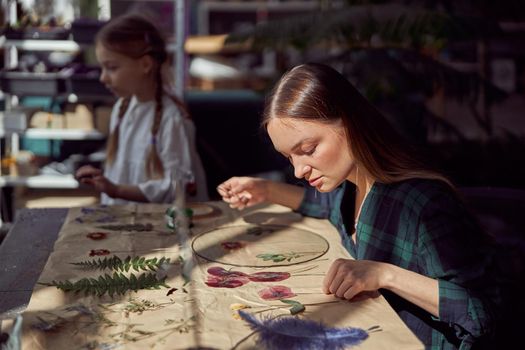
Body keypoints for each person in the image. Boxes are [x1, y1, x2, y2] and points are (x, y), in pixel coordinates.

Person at [217, 63, 502, 349]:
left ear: (350, 123)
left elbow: (481, 313)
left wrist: (384, 274)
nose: (298, 171)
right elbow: (322, 207)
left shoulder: (422, 205)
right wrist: (264, 189)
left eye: (308, 150)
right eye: (289, 158)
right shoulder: (348, 189)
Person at [75, 14, 208, 204]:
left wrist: (117, 190)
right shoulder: (122, 108)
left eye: (111, 68)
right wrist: (102, 179)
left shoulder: (172, 119)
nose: (103, 78)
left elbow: (179, 186)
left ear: (145, 64)